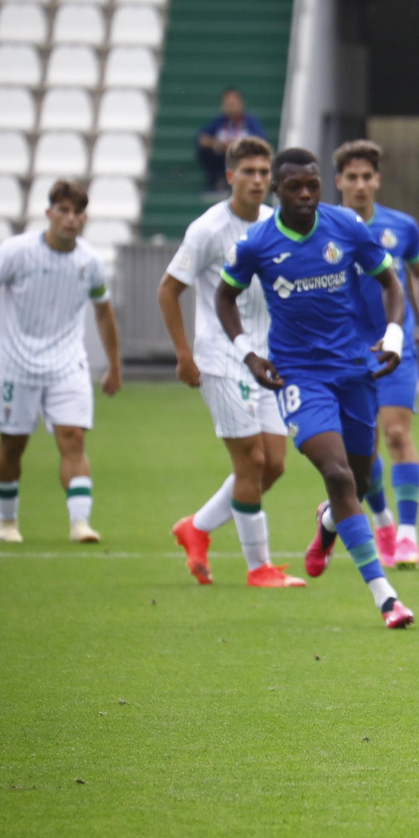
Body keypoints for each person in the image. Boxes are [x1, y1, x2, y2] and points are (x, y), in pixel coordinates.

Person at [216, 147, 415, 629]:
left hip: (353, 368)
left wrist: (392, 334)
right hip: (299, 375)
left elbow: (390, 283)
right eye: (294, 187)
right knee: (339, 474)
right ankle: (386, 598)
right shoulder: (257, 244)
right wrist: (248, 353)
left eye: (312, 185)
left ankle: (329, 523)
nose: (304, 194)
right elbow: (225, 297)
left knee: (361, 480)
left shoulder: (346, 227)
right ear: (277, 191)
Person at [159, 138, 303, 588]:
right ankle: (259, 568)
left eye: (265, 173)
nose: (259, 180)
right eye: (250, 172)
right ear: (230, 176)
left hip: (267, 360)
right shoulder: (207, 230)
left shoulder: (276, 224)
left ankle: (197, 527)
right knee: (251, 462)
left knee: (274, 464)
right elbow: (168, 290)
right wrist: (184, 355)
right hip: (220, 360)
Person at [0, 179, 120, 543]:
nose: (70, 219)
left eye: (77, 213)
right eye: (63, 211)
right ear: (49, 213)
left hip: (67, 364)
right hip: (15, 365)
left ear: (85, 218)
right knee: (13, 445)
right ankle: (6, 521)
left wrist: (114, 365)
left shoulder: (90, 262)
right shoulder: (16, 251)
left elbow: (103, 313)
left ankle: (80, 523)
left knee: (72, 438)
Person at [334, 140, 419, 570]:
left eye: (366, 177)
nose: (360, 185)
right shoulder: (325, 228)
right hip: (346, 347)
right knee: (362, 446)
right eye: (351, 178)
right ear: (338, 181)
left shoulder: (402, 226)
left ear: (377, 180)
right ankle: (383, 522)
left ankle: (409, 538)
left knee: (396, 434)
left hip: (396, 341)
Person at [195, 88, 267, 192]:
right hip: (222, 156)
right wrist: (217, 143)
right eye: (227, 104)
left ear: (241, 104)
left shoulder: (250, 121)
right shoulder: (219, 121)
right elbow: (202, 138)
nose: (231, 108)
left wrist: (237, 144)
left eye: (233, 104)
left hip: (243, 156)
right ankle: (217, 182)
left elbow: (260, 140)